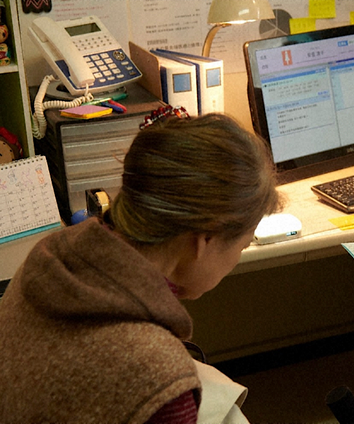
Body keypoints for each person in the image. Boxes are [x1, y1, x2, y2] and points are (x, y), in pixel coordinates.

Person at [0, 112, 282, 423]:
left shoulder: (47, 259)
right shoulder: (159, 382)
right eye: (242, 246)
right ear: (205, 239)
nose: (238, 257)